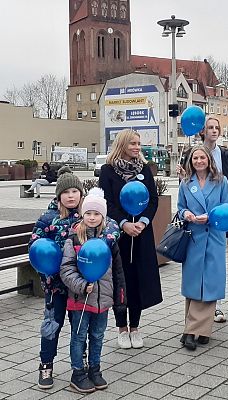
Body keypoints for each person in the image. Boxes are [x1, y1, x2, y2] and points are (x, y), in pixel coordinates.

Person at [99, 129, 162, 350]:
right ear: (122, 145)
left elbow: (153, 200)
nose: (137, 147)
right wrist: (124, 223)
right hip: (118, 235)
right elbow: (106, 202)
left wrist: (143, 222)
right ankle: (121, 328)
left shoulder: (144, 169)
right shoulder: (108, 171)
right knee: (121, 280)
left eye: (138, 144)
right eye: (132, 143)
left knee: (138, 280)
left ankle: (135, 326)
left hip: (142, 234)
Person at [60, 188, 125, 393]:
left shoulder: (109, 241)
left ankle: (95, 370)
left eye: (97, 214)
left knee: (97, 335)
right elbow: (66, 268)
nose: (92, 217)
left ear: (103, 216)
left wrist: (119, 298)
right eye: (88, 213)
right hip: (80, 298)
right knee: (79, 336)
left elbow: (117, 271)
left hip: (102, 300)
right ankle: (77, 372)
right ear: (82, 214)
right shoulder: (74, 239)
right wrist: (81, 285)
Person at [28, 166, 84, 389]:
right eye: (66, 192)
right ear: (59, 195)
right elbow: (35, 246)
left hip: (80, 285)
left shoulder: (86, 217)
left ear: (81, 194)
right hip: (55, 286)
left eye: (75, 191)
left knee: (80, 328)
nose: (71, 196)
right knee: (52, 325)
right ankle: (45, 365)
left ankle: (80, 365)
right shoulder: (48, 219)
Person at [177, 146, 228, 350]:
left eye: (202, 157)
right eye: (195, 158)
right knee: (194, 283)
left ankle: (191, 331)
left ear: (209, 160)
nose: (199, 161)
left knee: (210, 282)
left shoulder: (221, 181)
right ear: (190, 161)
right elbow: (181, 208)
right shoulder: (185, 183)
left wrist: (211, 216)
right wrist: (187, 215)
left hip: (214, 236)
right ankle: (201, 330)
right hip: (193, 237)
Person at [199, 117, 228, 323]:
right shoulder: (195, 154)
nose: (214, 131)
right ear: (203, 131)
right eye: (210, 127)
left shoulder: (225, 154)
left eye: (217, 128)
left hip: (219, 216)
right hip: (198, 215)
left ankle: (217, 305)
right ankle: (198, 303)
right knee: (199, 261)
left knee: (217, 262)